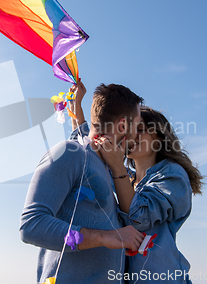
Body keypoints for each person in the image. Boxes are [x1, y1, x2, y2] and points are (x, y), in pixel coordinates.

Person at [69, 81, 205, 284]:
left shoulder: (173, 175)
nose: (132, 134)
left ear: (159, 137)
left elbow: (138, 217)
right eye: (130, 128)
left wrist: (118, 168)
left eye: (140, 129)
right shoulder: (125, 178)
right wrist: (77, 107)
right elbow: (88, 147)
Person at [20, 83, 146, 284]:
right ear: (122, 126)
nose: (138, 134)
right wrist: (105, 237)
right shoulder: (70, 154)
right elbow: (31, 225)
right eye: (137, 126)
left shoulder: (109, 168)